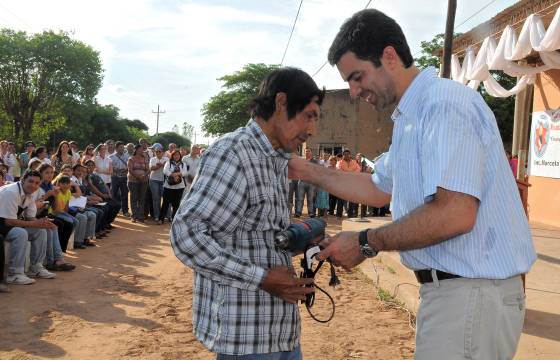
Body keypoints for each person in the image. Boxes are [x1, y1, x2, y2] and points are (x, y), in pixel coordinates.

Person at [289, 9, 536, 360]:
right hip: (457, 297)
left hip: (469, 296)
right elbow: (378, 187)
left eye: (357, 77)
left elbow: (455, 214)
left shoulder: (443, 105)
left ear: (388, 57)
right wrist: (305, 171)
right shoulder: (411, 117)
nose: (354, 92)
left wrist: (365, 242)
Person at [170, 67, 323, 358]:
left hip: (280, 332)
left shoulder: (274, 159)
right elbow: (186, 236)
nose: (311, 130)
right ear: (280, 103)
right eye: (308, 115)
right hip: (246, 340)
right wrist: (262, 278)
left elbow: (256, 232)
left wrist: (301, 239)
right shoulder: (234, 153)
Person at [0, 170, 56, 285]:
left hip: (7, 222)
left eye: (37, 183)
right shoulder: (11, 192)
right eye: (30, 181)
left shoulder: (29, 194)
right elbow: (8, 221)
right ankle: (14, 274)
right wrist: (35, 223)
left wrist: (44, 223)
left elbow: (31, 218)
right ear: (22, 180)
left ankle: (36, 268)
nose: (33, 185)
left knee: (40, 231)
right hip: (3, 222)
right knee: (20, 233)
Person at [160, 150, 187, 223]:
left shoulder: (183, 164)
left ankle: (174, 219)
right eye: (175, 155)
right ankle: (161, 219)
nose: (176, 156)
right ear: (172, 156)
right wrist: (173, 175)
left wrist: (178, 174)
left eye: (178, 155)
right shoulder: (168, 163)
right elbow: (165, 171)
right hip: (168, 186)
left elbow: (185, 173)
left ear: (180, 156)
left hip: (180, 187)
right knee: (165, 203)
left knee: (176, 203)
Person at [127, 144, 149, 223]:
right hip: (133, 181)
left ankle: (140, 216)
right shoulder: (131, 159)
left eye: (142, 149)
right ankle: (134, 216)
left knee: (142, 198)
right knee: (134, 198)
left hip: (144, 181)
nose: (141, 150)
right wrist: (138, 176)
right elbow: (130, 169)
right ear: (136, 150)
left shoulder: (145, 158)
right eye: (140, 149)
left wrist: (143, 176)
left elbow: (148, 169)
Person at [336, 149, 361, 218]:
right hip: (342, 184)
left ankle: (350, 215)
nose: (346, 155)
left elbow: (358, 169)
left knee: (352, 200)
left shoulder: (354, 162)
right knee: (341, 200)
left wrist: (349, 173)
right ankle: (339, 214)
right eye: (345, 154)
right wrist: (350, 173)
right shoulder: (339, 162)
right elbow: (339, 170)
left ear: (350, 155)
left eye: (348, 154)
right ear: (343, 155)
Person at [109, 141, 130, 216]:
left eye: (123, 147)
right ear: (116, 148)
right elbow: (109, 167)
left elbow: (130, 166)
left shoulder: (127, 156)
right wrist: (115, 169)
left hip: (124, 177)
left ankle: (125, 211)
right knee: (113, 194)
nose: (122, 149)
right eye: (120, 147)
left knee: (125, 194)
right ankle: (113, 210)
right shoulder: (111, 157)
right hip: (114, 177)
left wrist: (126, 169)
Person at [294, 148, 316, 218]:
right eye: (306, 151)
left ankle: (311, 213)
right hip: (302, 182)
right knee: (300, 198)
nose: (307, 153)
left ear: (311, 152)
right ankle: (298, 212)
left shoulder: (315, 162)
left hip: (311, 183)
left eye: (308, 151)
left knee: (310, 199)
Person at [149, 143, 168, 224]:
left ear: (162, 152)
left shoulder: (167, 159)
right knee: (156, 199)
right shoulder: (152, 159)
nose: (158, 153)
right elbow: (151, 168)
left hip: (164, 180)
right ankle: (157, 216)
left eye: (159, 151)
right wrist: (161, 166)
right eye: (156, 151)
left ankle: (167, 215)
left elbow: (168, 168)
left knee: (166, 198)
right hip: (154, 180)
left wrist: (161, 165)